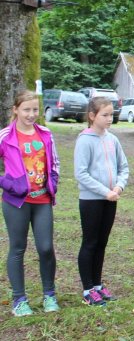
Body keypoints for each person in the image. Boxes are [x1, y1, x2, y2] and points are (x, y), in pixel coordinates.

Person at [0, 90, 61, 316]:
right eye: (26, 109)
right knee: (18, 248)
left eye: (35, 109)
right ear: (16, 110)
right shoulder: (5, 136)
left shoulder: (45, 133)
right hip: (16, 202)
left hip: (42, 200)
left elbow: (54, 163)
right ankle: (19, 300)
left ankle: (49, 295)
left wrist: (53, 183)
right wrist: (9, 184)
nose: (31, 114)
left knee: (46, 248)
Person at [74, 97, 129, 307]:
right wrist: (105, 192)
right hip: (91, 200)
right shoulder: (84, 140)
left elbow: (123, 167)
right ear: (92, 116)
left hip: (111, 198)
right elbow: (81, 173)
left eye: (111, 115)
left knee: (102, 242)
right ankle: (87, 289)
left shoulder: (112, 139)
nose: (109, 119)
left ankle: (97, 285)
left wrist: (118, 187)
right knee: (90, 242)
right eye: (104, 115)